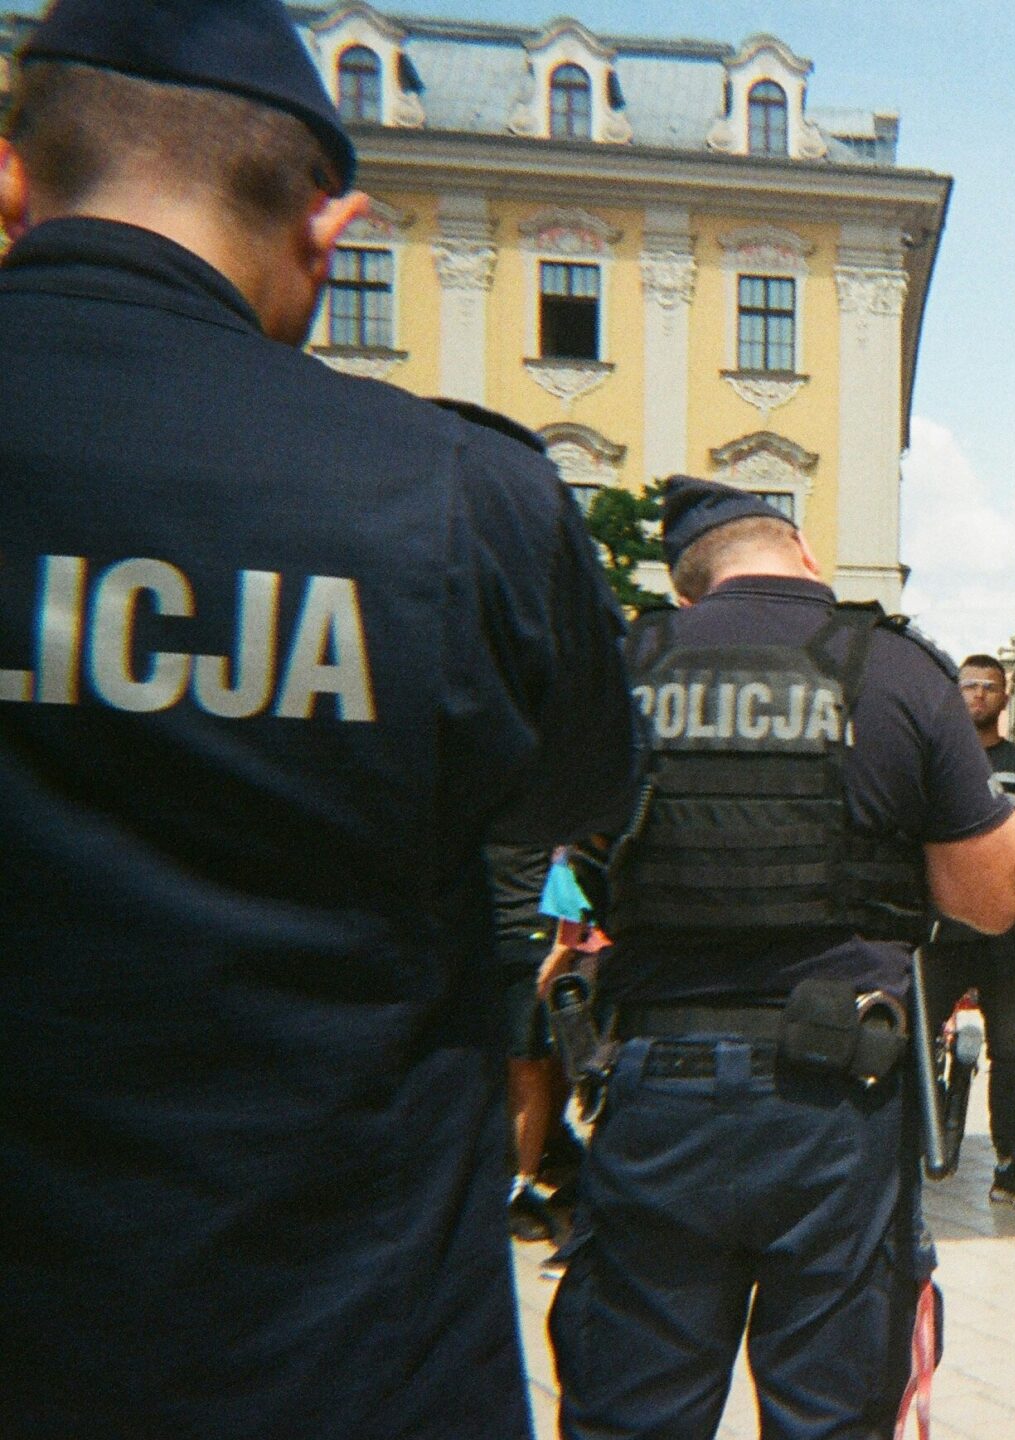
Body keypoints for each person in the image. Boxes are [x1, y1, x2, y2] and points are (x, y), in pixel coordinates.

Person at [0, 3, 636, 1434]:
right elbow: (574, 791)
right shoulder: (458, 496)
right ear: (327, 231)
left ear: (11, 184)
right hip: (334, 1347)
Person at [543, 478, 1015, 1439]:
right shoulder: (896, 669)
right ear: (804, 553)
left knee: (629, 1409)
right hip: (839, 1094)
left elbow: (566, 847)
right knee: (833, 1413)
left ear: (689, 588)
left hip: (655, 1087)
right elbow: (984, 901)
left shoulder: (624, 665)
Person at [917, 653, 1015, 1209]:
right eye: (968, 686)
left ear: (1005, 695)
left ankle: (1009, 1162)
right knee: (914, 1042)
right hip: (939, 931)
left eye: (989, 687)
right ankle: (911, 1143)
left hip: (1008, 933)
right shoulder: (934, 761)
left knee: (1009, 1050)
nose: (978, 695)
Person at [489, 841, 574, 1244]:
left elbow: (566, 877)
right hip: (471, 944)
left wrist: (559, 952)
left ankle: (521, 1185)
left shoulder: (539, 817)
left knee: (525, 1065)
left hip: (527, 945)